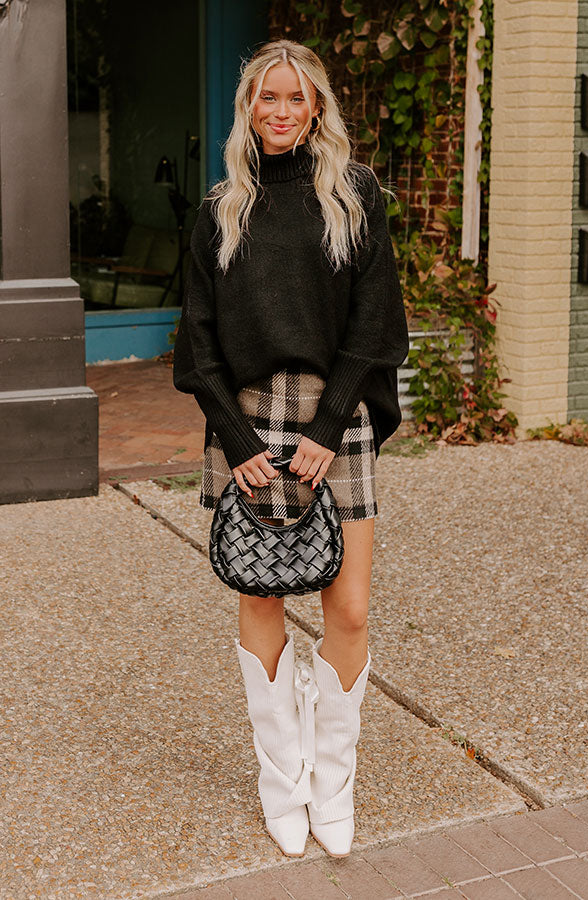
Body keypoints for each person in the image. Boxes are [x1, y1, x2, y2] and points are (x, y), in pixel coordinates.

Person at [172, 38, 409, 859]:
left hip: (333, 421)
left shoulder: (354, 194)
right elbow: (196, 341)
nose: (279, 110)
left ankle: (332, 782)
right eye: (266, 97)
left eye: (294, 98)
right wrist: (237, 439)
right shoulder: (220, 208)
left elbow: (376, 320)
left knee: (350, 608)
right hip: (246, 425)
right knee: (262, 595)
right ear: (249, 108)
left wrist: (327, 425)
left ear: (316, 110)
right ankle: (283, 781)